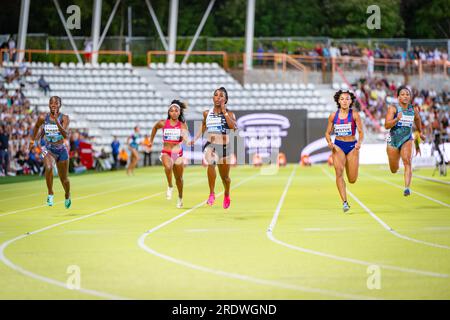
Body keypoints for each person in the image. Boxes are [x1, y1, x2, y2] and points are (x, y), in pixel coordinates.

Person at [191, 87, 238, 209]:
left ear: (226, 99)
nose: (218, 97)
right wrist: (195, 139)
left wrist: (224, 112)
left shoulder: (230, 113)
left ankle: (227, 194)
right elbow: (203, 126)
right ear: (213, 98)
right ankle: (212, 193)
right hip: (210, 145)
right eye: (216, 95)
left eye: (221, 96)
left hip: (224, 148)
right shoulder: (207, 113)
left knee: (225, 178)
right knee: (211, 162)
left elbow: (233, 127)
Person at [325, 90, 364, 213]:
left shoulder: (354, 115)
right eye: (342, 99)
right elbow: (327, 132)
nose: (345, 101)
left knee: (352, 179)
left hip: (352, 146)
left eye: (347, 99)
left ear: (351, 101)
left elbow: (361, 132)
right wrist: (330, 142)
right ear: (338, 101)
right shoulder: (333, 116)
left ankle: (349, 163)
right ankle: (345, 202)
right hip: (339, 146)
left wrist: (359, 143)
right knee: (339, 172)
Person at [29, 96, 71, 208]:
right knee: (48, 167)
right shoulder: (43, 117)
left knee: (64, 179)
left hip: (61, 150)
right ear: (48, 105)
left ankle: (67, 194)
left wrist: (57, 121)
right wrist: (32, 140)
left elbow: (65, 135)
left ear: (59, 105)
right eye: (51, 103)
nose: (53, 105)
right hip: (48, 149)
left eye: (56, 103)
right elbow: (36, 127)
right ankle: (50, 193)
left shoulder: (64, 118)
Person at [149, 100, 190, 208]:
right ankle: (170, 185)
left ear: (179, 112)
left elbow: (186, 139)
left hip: (178, 153)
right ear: (169, 112)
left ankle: (180, 198)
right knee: (168, 166)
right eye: (171, 111)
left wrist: (186, 139)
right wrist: (151, 141)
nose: (174, 112)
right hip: (166, 152)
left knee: (179, 179)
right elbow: (154, 128)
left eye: (176, 111)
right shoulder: (163, 123)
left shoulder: (182, 125)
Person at [385, 86, 425, 196]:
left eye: (407, 94)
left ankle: (407, 188)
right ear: (398, 97)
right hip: (393, 141)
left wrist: (420, 132)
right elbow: (386, 125)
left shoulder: (413, 109)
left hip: (407, 139)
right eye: (402, 94)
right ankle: (395, 166)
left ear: (410, 97)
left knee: (407, 161)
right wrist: (396, 119)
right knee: (394, 169)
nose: (405, 96)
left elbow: (417, 119)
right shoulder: (393, 109)